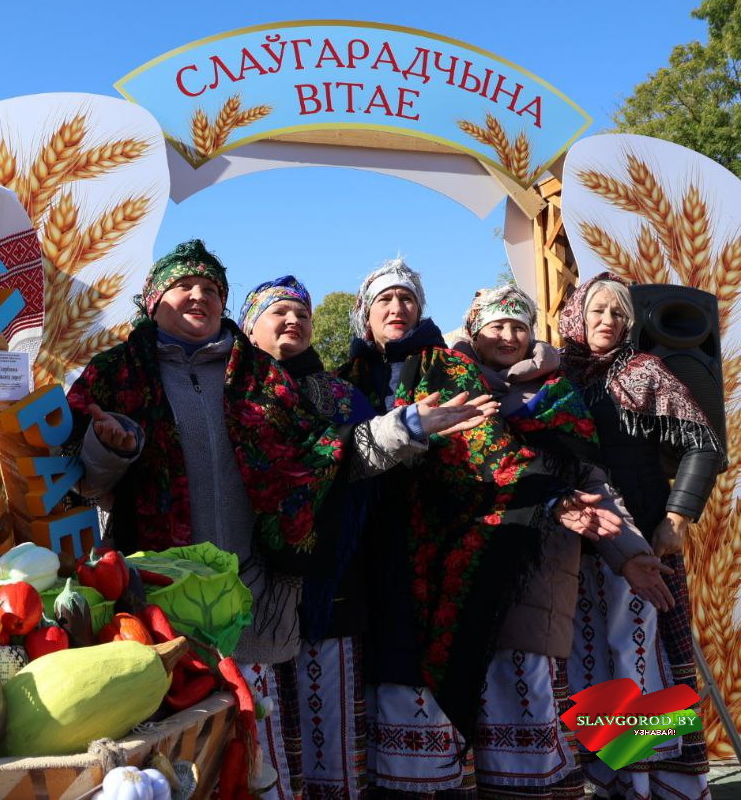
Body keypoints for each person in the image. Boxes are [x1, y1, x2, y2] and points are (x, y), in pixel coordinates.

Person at [66, 245, 489, 799]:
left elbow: (326, 454)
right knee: (169, 762)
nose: (199, 296)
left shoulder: (261, 378)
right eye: (185, 286)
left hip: (248, 600)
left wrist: (403, 426)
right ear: (153, 300)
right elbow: (78, 483)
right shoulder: (114, 375)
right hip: (153, 605)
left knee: (255, 758)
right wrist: (109, 449)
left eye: (212, 289)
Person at [338, 259, 620, 797]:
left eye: (407, 299)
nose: (397, 308)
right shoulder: (344, 377)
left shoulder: (446, 368)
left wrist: (549, 497)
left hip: (432, 547)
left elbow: (488, 447)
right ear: (365, 313)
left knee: (423, 672)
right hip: (359, 550)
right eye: (385, 300)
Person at [237, 274, 493, 798]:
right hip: (250, 583)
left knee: (332, 736)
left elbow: (362, 458)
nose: (293, 321)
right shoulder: (230, 392)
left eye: (302, 314)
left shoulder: (342, 393)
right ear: (249, 327)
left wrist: (412, 433)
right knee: (262, 735)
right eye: (279, 312)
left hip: (345, 579)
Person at [452, 284, 673, 798]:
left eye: (519, 326)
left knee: (567, 687)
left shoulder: (562, 392)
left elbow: (594, 481)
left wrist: (639, 547)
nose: (508, 335)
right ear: (474, 331)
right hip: (470, 566)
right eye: (496, 325)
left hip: (558, 565)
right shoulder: (451, 381)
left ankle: (639, 779)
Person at [558, 274, 724, 799]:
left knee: (641, 662)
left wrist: (677, 516)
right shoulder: (556, 377)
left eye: (619, 313)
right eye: (598, 310)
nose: (607, 321)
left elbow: (705, 446)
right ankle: (613, 781)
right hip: (577, 549)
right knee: (591, 664)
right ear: (577, 316)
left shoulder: (644, 371)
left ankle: (658, 783)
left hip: (642, 546)